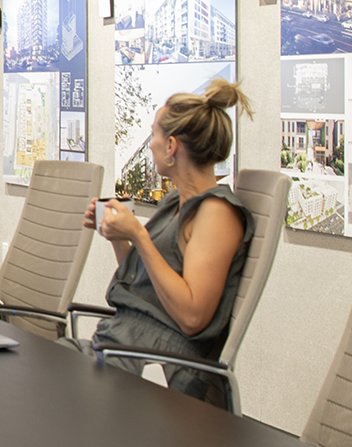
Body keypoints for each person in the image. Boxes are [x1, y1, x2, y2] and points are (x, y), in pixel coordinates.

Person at [78, 79, 252, 406]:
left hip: (157, 365)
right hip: (123, 344)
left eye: (154, 134)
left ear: (171, 146)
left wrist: (139, 235)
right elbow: (150, 289)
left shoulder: (216, 213)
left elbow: (192, 316)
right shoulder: (175, 204)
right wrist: (118, 237)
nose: (151, 143)